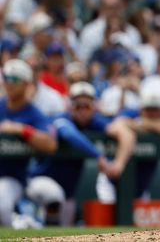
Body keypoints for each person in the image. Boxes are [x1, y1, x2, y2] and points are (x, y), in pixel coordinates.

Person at [27, 81, 136, 224]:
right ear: (70, 106)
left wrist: (119, 164)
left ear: (94, 107)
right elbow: (69, 134)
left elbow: (126, 134)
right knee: (52, 195)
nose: (83, 110)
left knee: (63, 234)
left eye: (87, 106)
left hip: (68, 194)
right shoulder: (60, 118)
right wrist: (99, 156)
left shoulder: (95, 122)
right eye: (78, 105)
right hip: (39, 182)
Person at [0, 60, 57, 226]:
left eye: (14, 79)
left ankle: (19, 228)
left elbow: (50, 144)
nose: (9, 83)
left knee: (2, 203)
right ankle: (22, 224)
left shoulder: (33, 113)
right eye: (6, 78)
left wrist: (20, 129)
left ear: (26, 83)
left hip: (15, 177)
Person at [115, 91, 160, 198]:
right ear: (141, 109)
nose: (152, 113)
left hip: (142, 186)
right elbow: (116, 124)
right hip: (113, 181)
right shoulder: (131, 113)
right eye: (148, 109)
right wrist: (159, 127)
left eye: (155, 109)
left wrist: (147, 124)